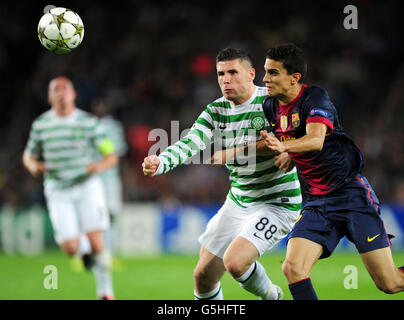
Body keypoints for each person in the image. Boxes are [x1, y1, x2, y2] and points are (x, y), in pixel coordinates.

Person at [142, 48, 302, 300]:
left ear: (251, 74)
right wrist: (160, 161)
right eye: (220, 74)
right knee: (203, 277)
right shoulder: (216, 111)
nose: (226, 80)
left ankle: (272, 297)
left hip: (277, 203)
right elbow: (190, 143)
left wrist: (289, 152)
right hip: (238, 201)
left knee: (236, 263)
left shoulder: (273, 103)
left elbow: (300, 139)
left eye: (232, 72)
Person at [259, 43, 404, 299]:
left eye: (273, 72)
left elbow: (316, 139)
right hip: (317, 201)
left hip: (350, 194)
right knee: (293, 267)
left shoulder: (315, 97)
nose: (265, 78)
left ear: (294, 78)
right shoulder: (270, 106)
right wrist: (291, 155)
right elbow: (298, 139)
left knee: (389, 283)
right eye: (265, 71)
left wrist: (284, 148)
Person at [22, 76, 118, 300]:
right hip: (57, 189)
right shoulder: (41, 125)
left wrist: (100, 165)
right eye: (55, 89)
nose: (60, 93)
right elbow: (28, 155)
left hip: (87, 185)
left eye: (64, 88)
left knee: (98, 243)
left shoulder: (88, 123)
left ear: (73, 94)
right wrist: (33, 165)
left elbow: (111, 154)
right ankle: (82, 248)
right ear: (49, 97)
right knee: (69, 247)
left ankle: (105, 292)